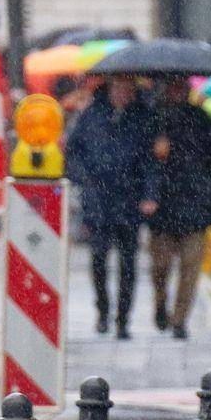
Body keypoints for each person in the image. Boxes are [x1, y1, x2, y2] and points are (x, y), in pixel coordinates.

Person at [142, 77, 211, 338]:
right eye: (173, 86)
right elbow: (141, 163)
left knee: (190, 268)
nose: (178, 91)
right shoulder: (154, 119)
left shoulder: (203, 120)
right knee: (159, 267)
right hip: (163, 207)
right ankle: (161, 302)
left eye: (183, 87)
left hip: (196, 204)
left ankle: (180, 319)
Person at [67, 74, 155, 339]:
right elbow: (73, 152)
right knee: (98, 259)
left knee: (128, 263)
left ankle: (123, 319)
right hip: (98, 201)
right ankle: (103, 311)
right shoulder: (92, 116)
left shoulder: (141, 119)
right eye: (118, 89)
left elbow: (150, 162)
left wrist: (149, 194)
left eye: (128, 90)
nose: (123, 94)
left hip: (129, 201)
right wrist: (85, 179)